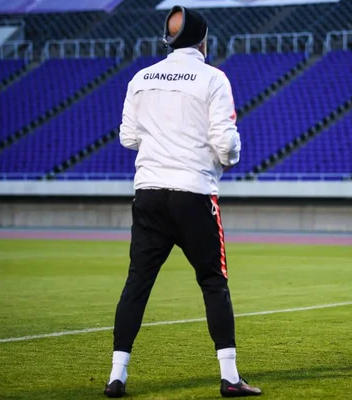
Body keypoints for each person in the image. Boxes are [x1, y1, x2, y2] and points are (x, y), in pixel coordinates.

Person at [103, 5, 261, 398]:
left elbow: (127, 137)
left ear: (168, 38)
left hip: (150, 193)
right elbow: (225, 144)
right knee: (213, 283)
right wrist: (230, 156)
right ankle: (229, 377)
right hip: (193, 193)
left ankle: (116, 376)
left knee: (136, 284)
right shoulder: (213, 78)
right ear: (203, 40)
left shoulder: (141, 77)